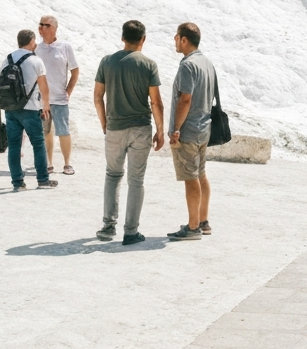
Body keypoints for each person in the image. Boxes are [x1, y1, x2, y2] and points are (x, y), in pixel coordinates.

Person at [94, 20, 164, 246]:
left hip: (114, 127)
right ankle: (131, 231)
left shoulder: (107, 62)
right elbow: (156, 102)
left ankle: (108, 225)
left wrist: (105, 123)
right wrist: (160, 130)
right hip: (141, 129)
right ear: (143, 39)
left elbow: (97, 97)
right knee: (136, 180)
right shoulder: (149, 64)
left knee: (113, 175)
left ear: (122, 37)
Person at [167, 22, 218, 241]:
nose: (174, 41)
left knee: (190, 178)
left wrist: (176, 128)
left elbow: (185, 99)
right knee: (201, 174)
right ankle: (203, 221)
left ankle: (193, 227)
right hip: (204, 128)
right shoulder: (207, 63)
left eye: (176, 37)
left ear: (184, 39)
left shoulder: (188, 65)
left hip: (188, 130)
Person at [3, 30, 57, 192]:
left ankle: (17, 183)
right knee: (38, 144)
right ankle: (42, 180)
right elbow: (43, 86)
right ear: (31, 41)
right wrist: (46, 105)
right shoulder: (35, 61)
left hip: (11, 108)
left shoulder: (7, 59)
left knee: (13, 146)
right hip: (30, 108)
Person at [35, 15, 80, 175]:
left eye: (45, 25)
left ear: (54, 28)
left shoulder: (64, 47)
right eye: (40, 25)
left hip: (60, 99)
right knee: (46, 133)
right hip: (42, 101)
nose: (41, 28)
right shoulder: (37, 49)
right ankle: (49, 163)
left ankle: (67, 163)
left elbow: (75, 71)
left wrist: (68, 91)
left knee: (63, 131)